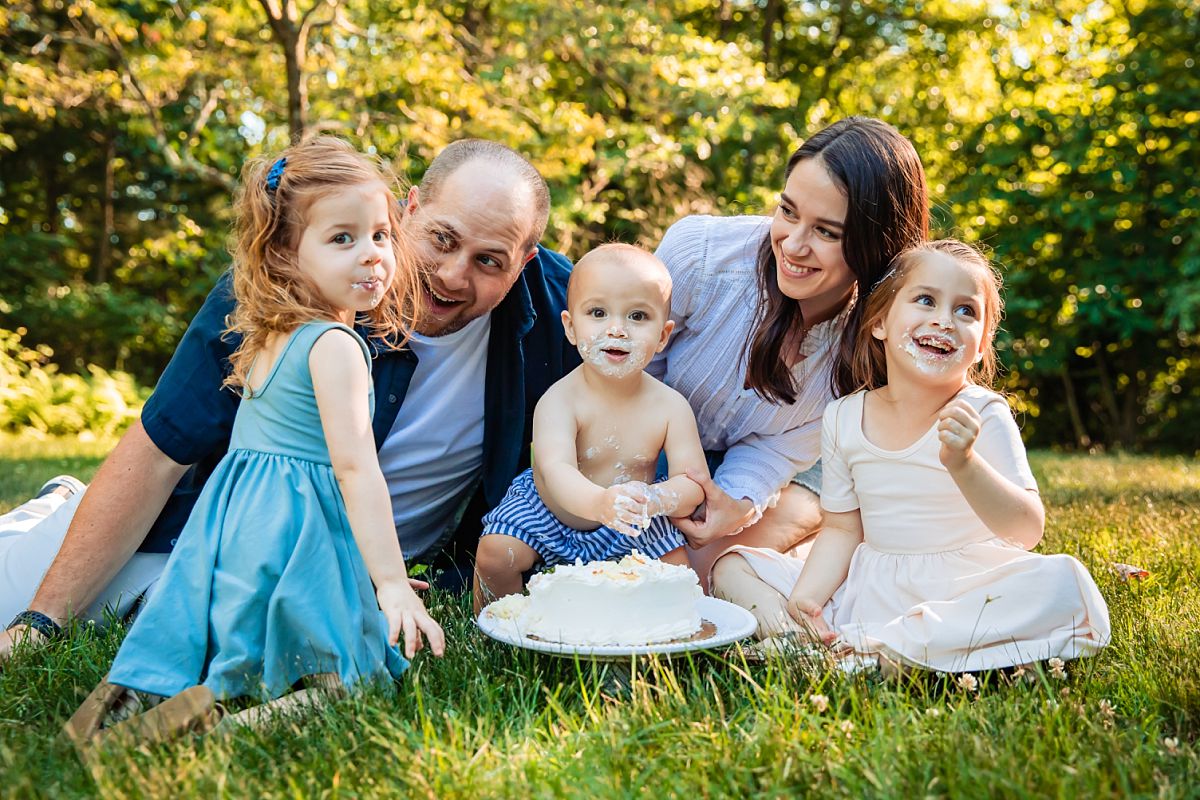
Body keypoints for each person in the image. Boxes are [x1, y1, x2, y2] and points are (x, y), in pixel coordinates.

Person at [1, 138, 578, 660]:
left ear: (524, 263)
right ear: (409, 212)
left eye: (489, 262)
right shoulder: (290, 288)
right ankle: (57, 514)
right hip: (196, 531)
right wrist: (41, 620)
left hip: (325, 575)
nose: (453, 275)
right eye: (442, 239)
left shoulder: (569, 312)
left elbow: (638, 387)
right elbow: (159, 452)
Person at [66, 138, 447, 749]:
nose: (371, 256)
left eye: (380, 235)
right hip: (297, 530)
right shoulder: (337, 346)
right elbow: (355, 470)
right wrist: (391, 581)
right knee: (350, 676)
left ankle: (125, 702)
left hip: (236, 524)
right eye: (341, 239)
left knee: (238, 648)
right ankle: (223, 727)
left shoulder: (271, 332)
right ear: (286, 255)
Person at [721, 240, 1111, 669]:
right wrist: (808, 597)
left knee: (1061, 584)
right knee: (733, 567)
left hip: (963, 589)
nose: (944, 320)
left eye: (966, 311)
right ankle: (800, 640)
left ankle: (873, 657)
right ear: (880, 322)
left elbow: (1025, 529)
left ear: (981, 344)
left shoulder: (983, 412)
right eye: (926, 300)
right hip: (873, 584)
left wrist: (964, 464)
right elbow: (842, 530)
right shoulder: (845, 417)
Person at [651, 116, 930, 589]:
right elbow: (627, 383)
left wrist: (736, 503)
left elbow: (777, 449)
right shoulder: (698, 255)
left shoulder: (873, 344)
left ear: (876, 246)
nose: (794, 245)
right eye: (788, 211)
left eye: (827, 232)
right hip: (655, 444)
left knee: (697, 571)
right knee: (634, 563)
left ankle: (809, 543)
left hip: (800, 466)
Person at [472, 244, 707, 612]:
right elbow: (555, 470)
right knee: (494, 554)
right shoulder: (560, 400)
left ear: (663, 336)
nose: (616, 329)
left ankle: (668, 640)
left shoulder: (670, 407)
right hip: (549, 515)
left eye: (638, 316)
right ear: (570, 326)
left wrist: (655, 500)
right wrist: (600, 503)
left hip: (632, 519)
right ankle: (504, 626)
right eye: (598, 313)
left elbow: (694, 482)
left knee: (680, 577)